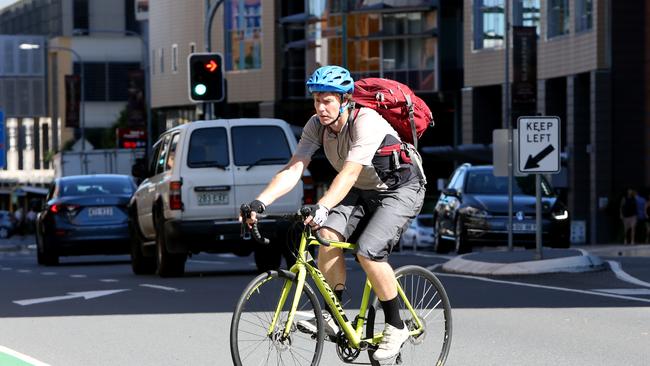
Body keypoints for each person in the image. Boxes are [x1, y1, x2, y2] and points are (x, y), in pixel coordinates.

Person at [240, 65, 426, 361]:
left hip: (401, 188)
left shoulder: (367, 121)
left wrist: (323, 206)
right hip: (363, 188)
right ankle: (332, 314)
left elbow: (350, 173)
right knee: (325, 235)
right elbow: (295, 168)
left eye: (328, 100)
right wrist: (260, 202)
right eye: (316, 100)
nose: (321, 107)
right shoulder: (316, 125)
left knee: (369, 252)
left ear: (345, 100)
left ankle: (396, 325)